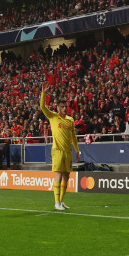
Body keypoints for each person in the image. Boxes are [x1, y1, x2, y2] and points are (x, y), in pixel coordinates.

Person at [41, 82, 80, 211]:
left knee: (66, 176)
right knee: (58, 175)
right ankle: (56, 202)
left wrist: (77, 151)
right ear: (58, 107)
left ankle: (61, 201)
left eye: (66, 106)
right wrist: (43, 94)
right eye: (62, 107)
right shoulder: (53, 116)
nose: (65, 109)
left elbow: (73, 137)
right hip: (57, 150)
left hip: (68, 151)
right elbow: (42, 107)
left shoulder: (70, 120)